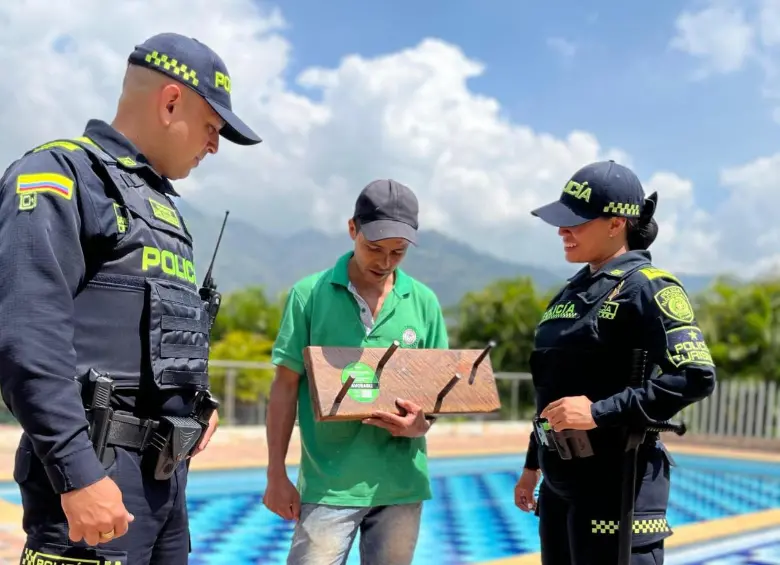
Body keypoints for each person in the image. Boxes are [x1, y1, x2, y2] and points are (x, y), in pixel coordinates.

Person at [0, 32, 262, 565]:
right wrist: (78, 474)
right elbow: (27, 337)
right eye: (212, 127)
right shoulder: (62, 176)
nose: (214, 145)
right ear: (170, 102)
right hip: (96, 470)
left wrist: (195, 398)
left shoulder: (160, 208)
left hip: (163, 481)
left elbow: (144, 326)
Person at [513, 160, 716, 565]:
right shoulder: (569, 293)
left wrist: (597, 412)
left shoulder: (648, 287)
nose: (562, 231)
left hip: (618, 485)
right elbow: (551, 389)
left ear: (615, 223)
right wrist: (532, 465)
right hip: (559, 485)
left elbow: (695, 376)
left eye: (576, 221)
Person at [264, 179, 449, 565]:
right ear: (353, 229)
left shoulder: (425, 303)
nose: (384, 262)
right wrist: (275, 473)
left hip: (401, 485)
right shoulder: (309, 295)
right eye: (374, 248)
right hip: (329, 486)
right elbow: (284, 388)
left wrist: (421, 424)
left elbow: (436, 393)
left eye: (397, 252)